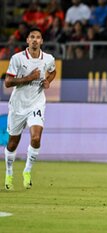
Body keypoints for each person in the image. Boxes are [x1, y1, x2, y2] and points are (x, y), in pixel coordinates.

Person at [4, 27, 56, 190]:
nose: (35, 40)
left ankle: (27, 171)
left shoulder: (48, 58)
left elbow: (53, 72)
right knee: (12, 143)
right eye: (32, 37)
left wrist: (48, 81)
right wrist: (29, 78)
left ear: (42, 41)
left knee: (35, 138)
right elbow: (7, 82)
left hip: (36, 103)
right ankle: (9, 172)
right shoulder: (17, 58)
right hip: (18, 105)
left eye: (38, 37)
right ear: (27, 40)